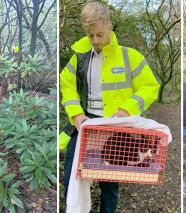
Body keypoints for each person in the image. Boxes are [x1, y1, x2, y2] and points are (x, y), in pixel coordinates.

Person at [60, 1, 160, 212]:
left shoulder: (129, 57)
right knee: (71, 180)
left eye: (99, 34)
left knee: (109, 186)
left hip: (115, 130)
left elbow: (150, 87)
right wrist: (76, 115)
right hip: (85, 125)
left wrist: (127, 109)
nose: (95, 41)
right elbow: (66, 85)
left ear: (109, 27)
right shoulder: (80, 56)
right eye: (90, 36)